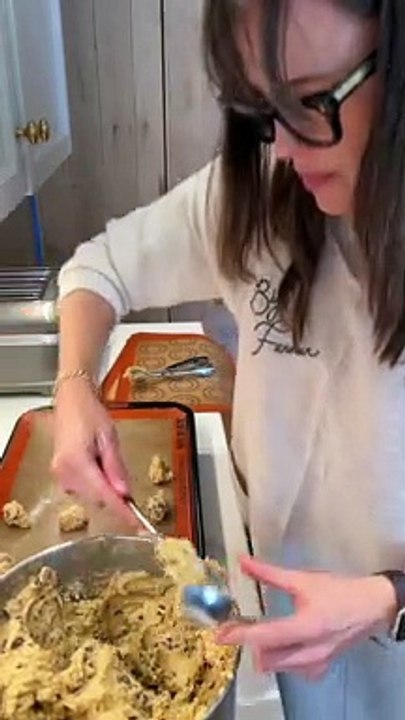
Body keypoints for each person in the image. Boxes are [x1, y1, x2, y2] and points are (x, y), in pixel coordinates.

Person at [53, 0, 405, 717]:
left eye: (309, 101)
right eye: (261, 110)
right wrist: (74, 384)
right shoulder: (267, 190)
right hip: (260, 612)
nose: (283, 148)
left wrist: (388, 598)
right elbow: (100, 268)